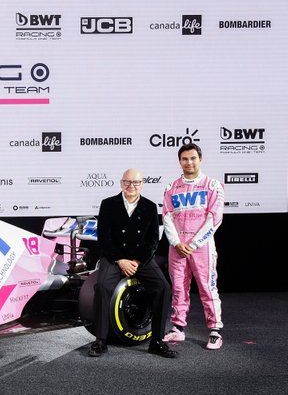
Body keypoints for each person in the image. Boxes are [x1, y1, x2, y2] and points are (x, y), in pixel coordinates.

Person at [89, 168, 177, 358]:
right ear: (121, 183)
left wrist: (137, 261)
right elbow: (103, 238)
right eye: (127, 182)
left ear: (142, 184)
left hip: (140, 259)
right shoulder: (108, 204)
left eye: (135, 182)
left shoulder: (150, 206)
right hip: (115, 258)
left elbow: (153, 240)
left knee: (163, 287)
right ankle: (100, 341)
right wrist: (120, 260)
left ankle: (157, 341)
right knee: (103, 286)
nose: (131, 186)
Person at [162, 143, 225, 350]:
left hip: (202, 247)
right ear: (179, 161)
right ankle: (178, 328)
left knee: (208, 287)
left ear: (200, 159)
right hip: (177, 246)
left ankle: (215, 331)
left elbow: (214, 219)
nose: (188, 163)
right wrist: (176, 243)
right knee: (179, 287)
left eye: (192, 158)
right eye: (184, 159)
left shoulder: (213, 185)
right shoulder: (171, 187)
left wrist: (194, 243)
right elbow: (167, 217)